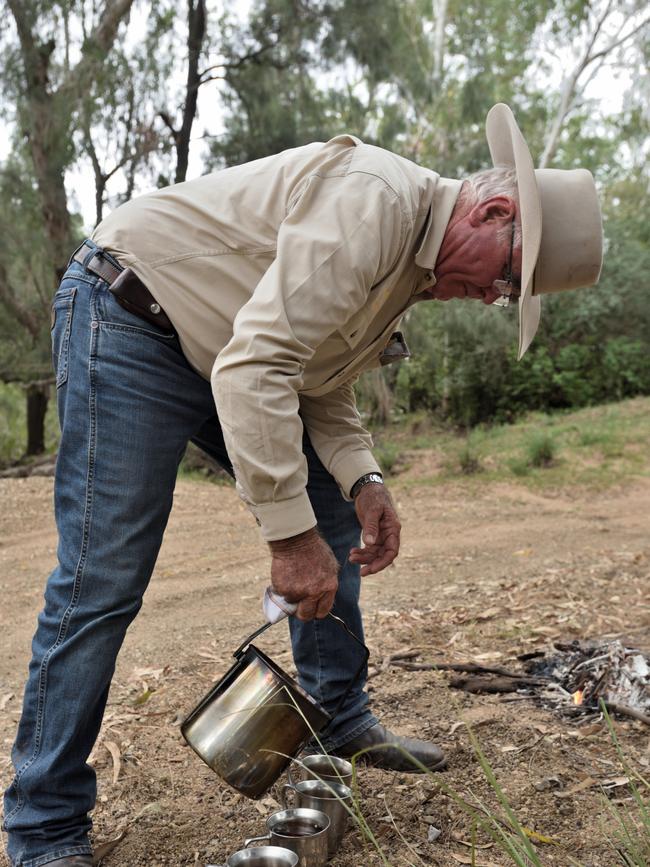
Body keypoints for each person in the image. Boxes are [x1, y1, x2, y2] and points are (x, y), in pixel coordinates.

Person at [3, 103, 602, 867]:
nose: (493, 299)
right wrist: (289, 540)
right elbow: (259, 366)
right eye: (508, 280)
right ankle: (44, 824)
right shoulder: (376, 203)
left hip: (222, 347)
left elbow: (317, 376)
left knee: (330, 502)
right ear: (492, 210)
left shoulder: (408, 268)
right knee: (103, 573)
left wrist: (363, 477)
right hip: (129, 317)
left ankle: (338, 715)